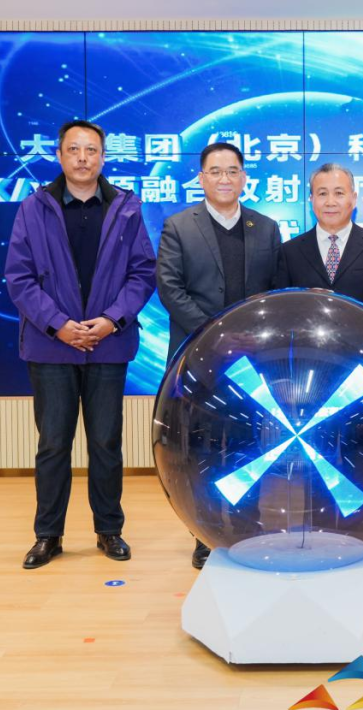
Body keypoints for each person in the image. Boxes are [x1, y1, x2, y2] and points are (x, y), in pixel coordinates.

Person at [5, 120, 157, 569]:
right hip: (51, 346)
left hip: (108, 344)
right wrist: (59, 325)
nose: (83, 158)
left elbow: (142, 274)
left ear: (104, 156)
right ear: (59, 155)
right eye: (74, 149)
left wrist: (111, 320)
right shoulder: (34, 207)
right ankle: (47, 535)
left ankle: (109, 530)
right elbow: (19, 278)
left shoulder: (126, 207)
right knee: (54, 443)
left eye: (91, 150)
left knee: (106, 442)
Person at [157, 141, 282, 569]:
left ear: (244, 178)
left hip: (252, 359)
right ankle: (206, 533)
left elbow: (275, 292)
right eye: (215, 171)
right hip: (199, 358)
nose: (224, 179)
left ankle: (248, 526)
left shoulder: (266, 228)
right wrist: (215, 334)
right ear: (201, 178)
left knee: (252, 445)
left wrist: (253, 337)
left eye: (232, 171)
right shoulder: (178, 226)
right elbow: (170, 289)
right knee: (203, 448)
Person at [273, 163, 363, 330]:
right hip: (308, 345)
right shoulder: (290, 251)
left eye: (339, 193)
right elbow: (282, 314)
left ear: (354, 198)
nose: (330, 202)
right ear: (311, 200)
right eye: (322, 193)